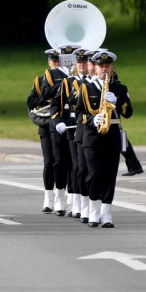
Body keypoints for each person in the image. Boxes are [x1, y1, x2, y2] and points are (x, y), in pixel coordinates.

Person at [76, 50, 133, 227]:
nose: (104, 69)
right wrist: (93, 119)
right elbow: (79, 115)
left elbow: (128, 113)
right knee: (94, 174)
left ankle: (106, 214)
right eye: (101, 66)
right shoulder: (87, 87)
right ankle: (94, 212)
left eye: (107, 66)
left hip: (112, 136)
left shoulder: (120, 88)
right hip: (92, 137)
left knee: (110, 175)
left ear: (112, 67)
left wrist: (117, 101)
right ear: (96, 68)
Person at [39, 45, 78, 215]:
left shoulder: (80, 74)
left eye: (72, 57)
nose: (68, 60)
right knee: (59, 160)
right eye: (65, 57)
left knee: (75, 163)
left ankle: (73, 197)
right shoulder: (52, 74)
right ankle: (59, 196)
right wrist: (65, 83)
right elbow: (45, 94)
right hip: (59, 122)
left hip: (75, 122)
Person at [51, 48, 90, 218]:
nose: (81, 65)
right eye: (79, 62)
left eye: (84, 62)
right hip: (74, 127)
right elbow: (56, 105)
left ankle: (90, 201)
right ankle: (76, 202)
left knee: (90, 167)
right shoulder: (69, 82)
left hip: (92, 127)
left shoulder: (95, 82)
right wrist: (58, 121)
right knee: (77, 166)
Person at [26, 49, 58, 213]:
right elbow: (31, 102)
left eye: (59, 61)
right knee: (49, 162)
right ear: (49, 63)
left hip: (64, 126)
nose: (56, 64)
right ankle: (48, 197)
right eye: (54, 61)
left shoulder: (70, 80)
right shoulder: (40, 81)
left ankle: (67, 196)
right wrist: (49, 96)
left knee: (66, 162)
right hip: (46, 126)